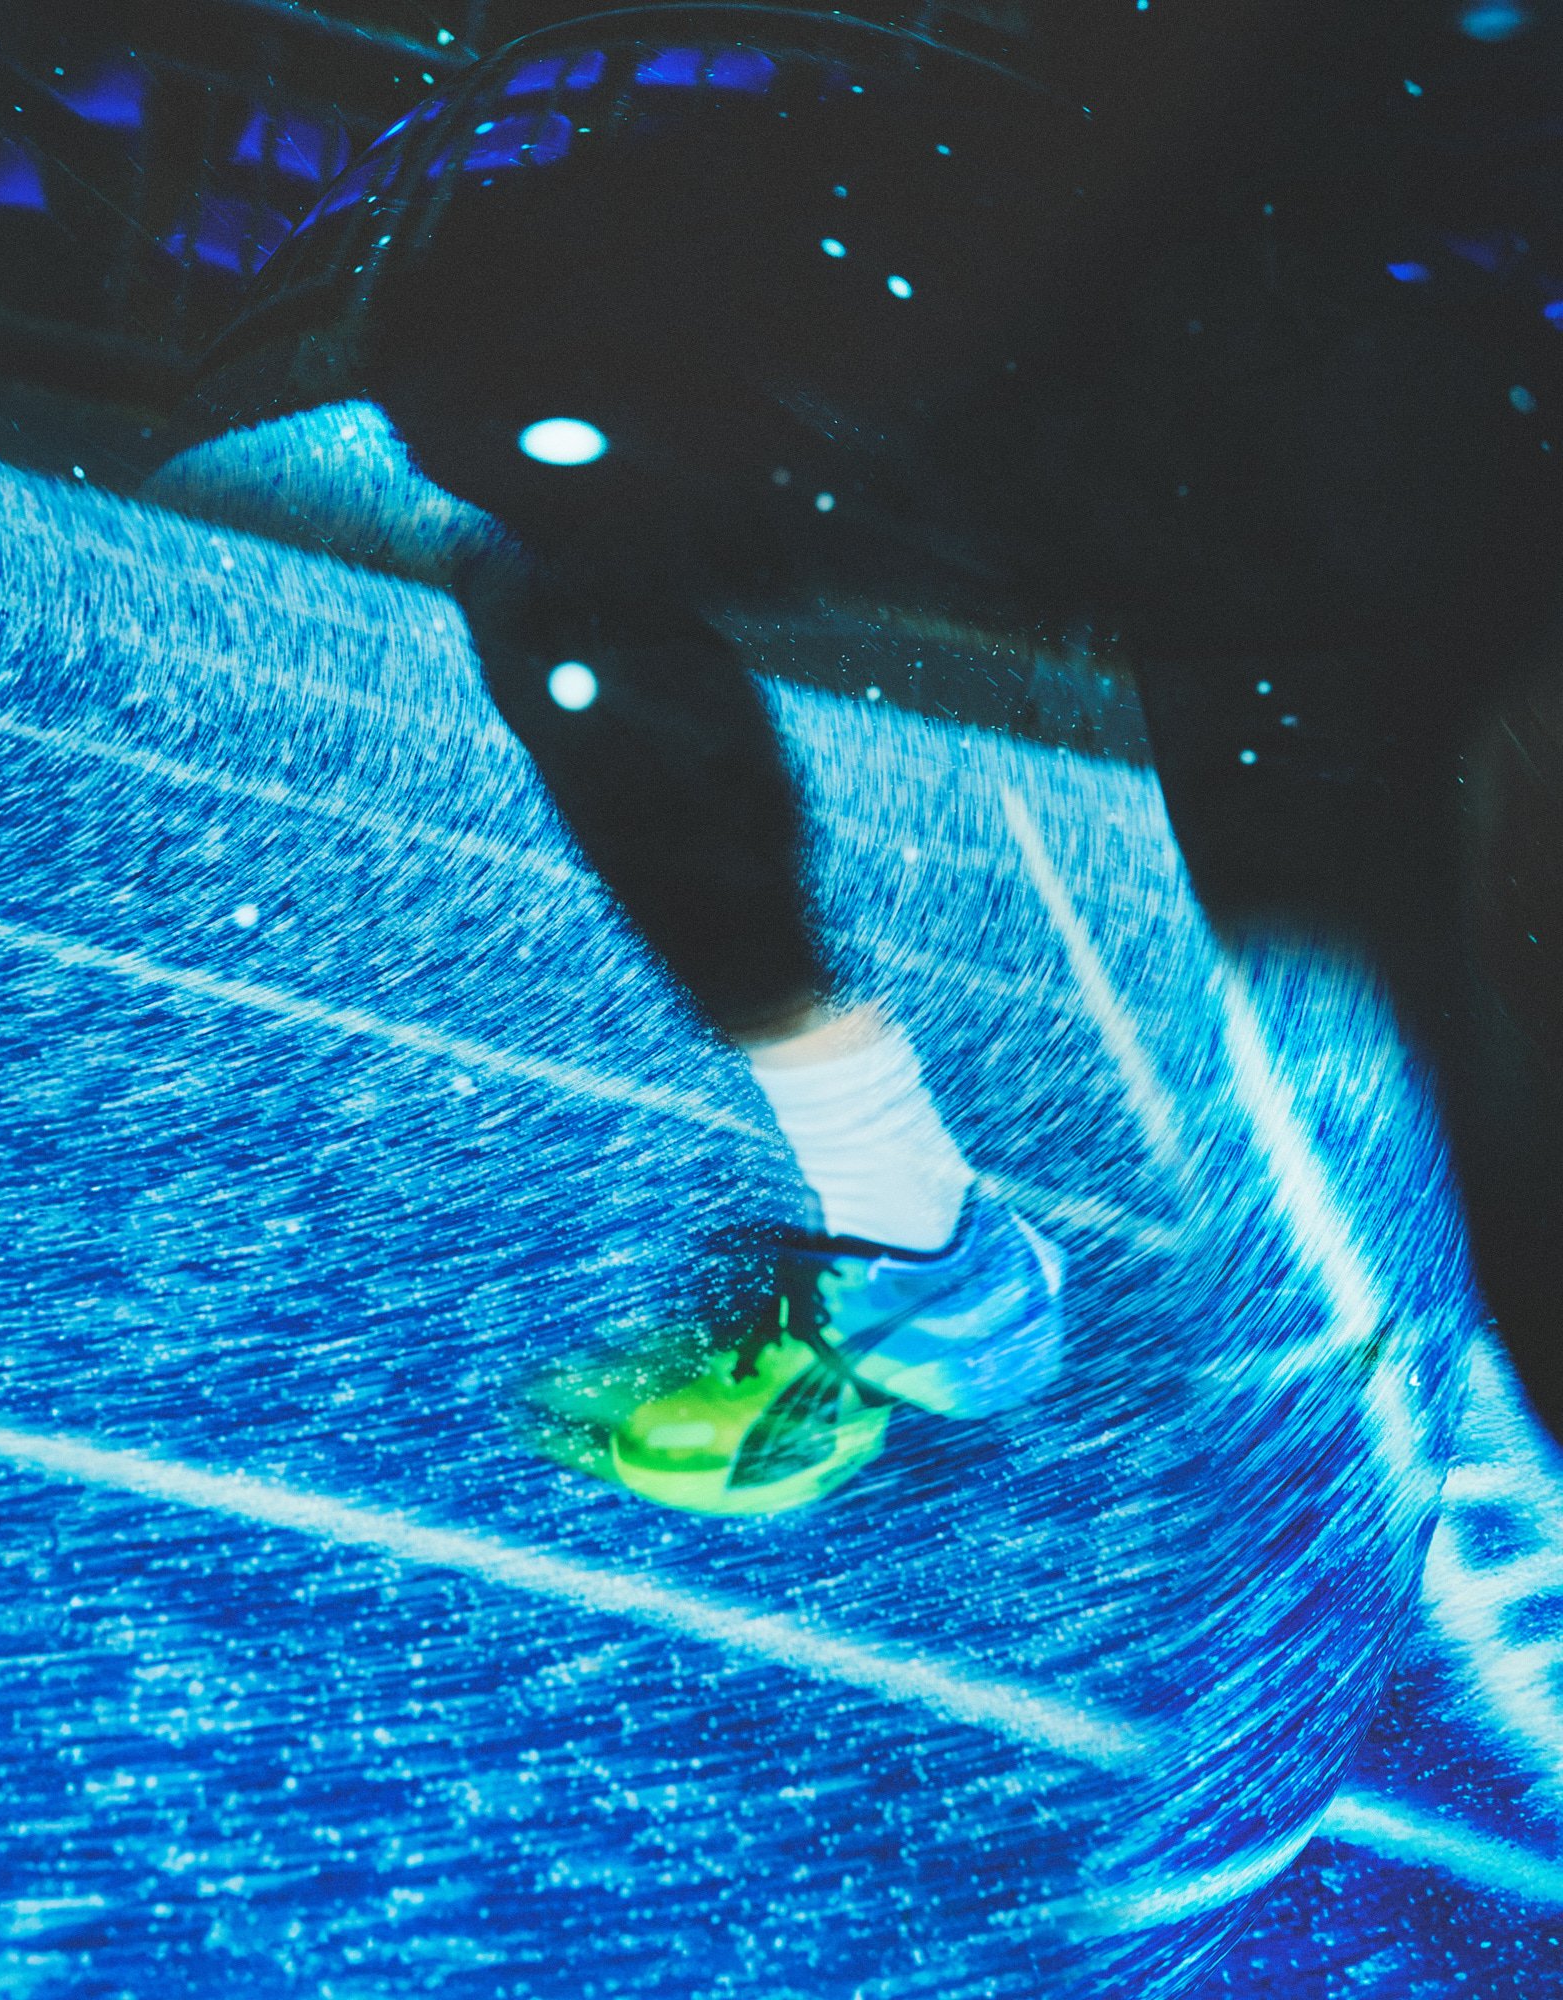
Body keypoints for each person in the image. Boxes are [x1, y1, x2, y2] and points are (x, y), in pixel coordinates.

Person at [148, 3, 1563, 1496]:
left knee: (1382, 930)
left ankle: (940, 1245)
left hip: (1310, 399)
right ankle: (928, 1243)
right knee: (1363, 915)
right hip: (1220, 370)